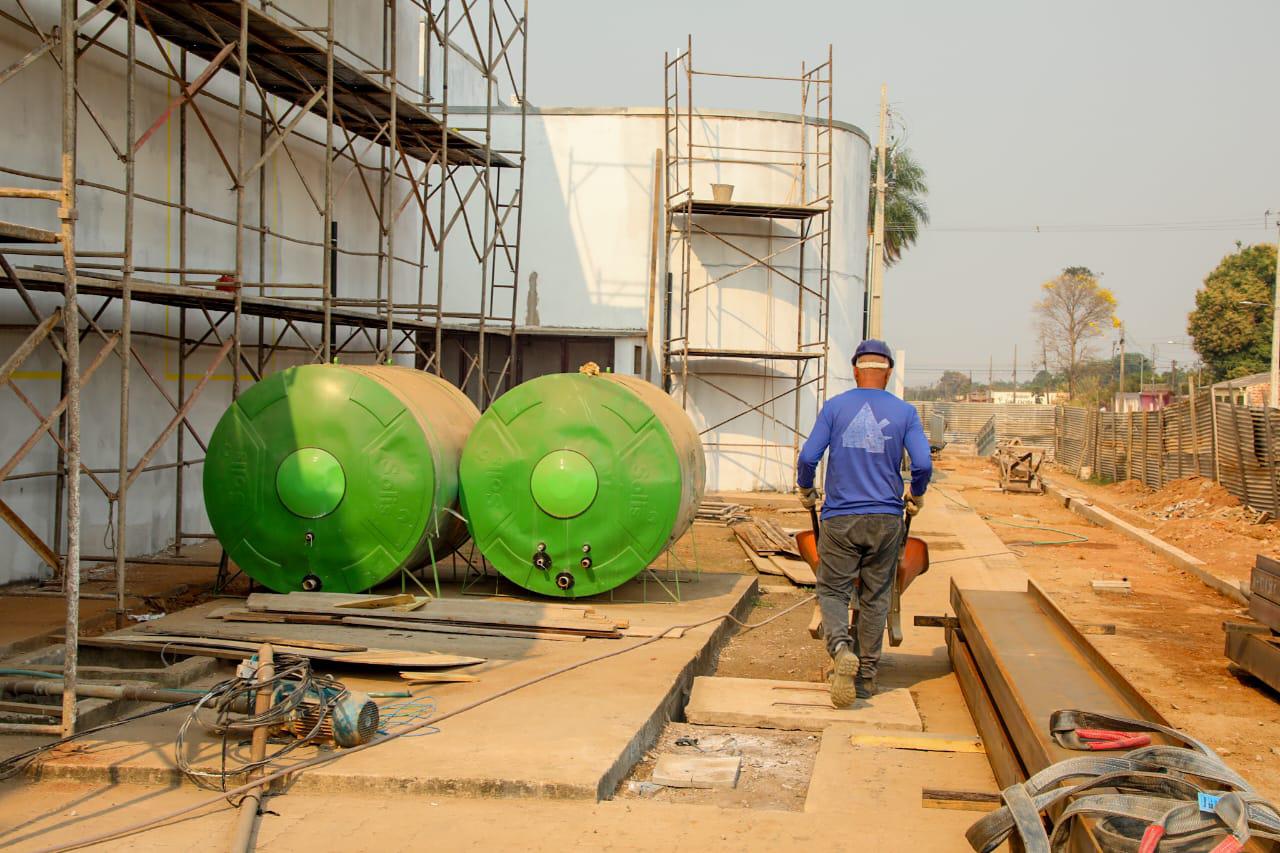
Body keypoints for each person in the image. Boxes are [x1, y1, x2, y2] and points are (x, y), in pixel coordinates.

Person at [795, 339, 932, 707]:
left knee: (834, 590)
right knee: (876, 597)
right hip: (887, 519)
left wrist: (806, 488)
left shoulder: (836, 408)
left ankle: (841, 649)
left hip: (840, 518)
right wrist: (915, 493)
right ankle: (867, 677)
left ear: (856, 371)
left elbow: (808, 455)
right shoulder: (905, 412)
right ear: (887, 374)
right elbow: (922, 464)